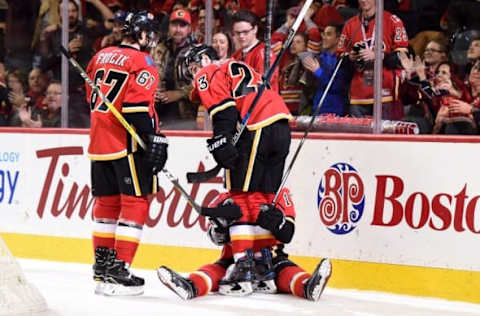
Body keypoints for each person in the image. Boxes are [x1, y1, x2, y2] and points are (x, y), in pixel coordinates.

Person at [182, 44, 292, 295]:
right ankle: (263, 266)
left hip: (255, 129)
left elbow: (223, 112)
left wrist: (221, 140)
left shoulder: (208, 71)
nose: (194, 72)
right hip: (281, 125)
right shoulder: (236, 66)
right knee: (264, 196)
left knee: (240, 197)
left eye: (194, 66)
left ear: (205, 58)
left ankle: (245, 266)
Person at [85, 11, 168, 296]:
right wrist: (154, 137)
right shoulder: (143, 62)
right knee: (135, 204)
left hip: (98, 142)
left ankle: (103, 266)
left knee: (106, 206)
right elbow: (135, 108)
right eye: (150, 34)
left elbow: (91, 97)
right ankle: (119, 268)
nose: (152, 39)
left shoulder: (100, 56)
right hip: (126, 143)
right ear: (142, 34)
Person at [157, 188, 332, 301]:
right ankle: (192, 286)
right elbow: (214, 237)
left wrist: (278, 223)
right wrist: (221, 228)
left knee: (285, 269)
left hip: (271, 260)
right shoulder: (225, 197)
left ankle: (306, 285)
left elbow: (288, 234)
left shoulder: (280, 194)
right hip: (235, 262)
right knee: (218, 269)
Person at [337, 0, 409, 120]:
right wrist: (350, 57)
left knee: (386, 135)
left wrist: (378, 56)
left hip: (386, 93)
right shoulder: (350, 24)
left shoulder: (392, 21)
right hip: (358, 94)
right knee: (359, 136)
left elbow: (402, 57)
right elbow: (339, 59)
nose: (364, 0)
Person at [151, 8, 198, 130]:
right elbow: (148, 75)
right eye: (174, 25)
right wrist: (153, 91)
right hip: (157, 113)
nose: (178, 30)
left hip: (186, 116)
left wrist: (179, 94)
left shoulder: (197, 52)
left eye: (182, 26)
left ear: (189, 29)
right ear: (169, 27)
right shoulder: (158, 49)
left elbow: (202, 83)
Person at [303, 23, 348, 116]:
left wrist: (318, 72)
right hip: (317, 109)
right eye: (323, 34)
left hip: (336, 110)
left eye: (329, 34)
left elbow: (337, 86)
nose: (324, 37)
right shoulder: (319, 58)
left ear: (337, 39)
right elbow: (309, 86)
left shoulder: (343, 60)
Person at [231, 10, 279, 91]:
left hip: (263, 101)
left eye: (245, 32)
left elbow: (262, 82)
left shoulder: (264, 53)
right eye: (237, 33)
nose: (241, 36)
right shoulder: (237, 55)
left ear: (255, 29)